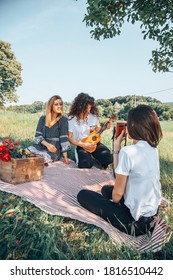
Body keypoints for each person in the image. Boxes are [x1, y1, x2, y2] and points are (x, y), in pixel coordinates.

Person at [77, 105, 163, 236]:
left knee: (83, 195)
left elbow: (117, 194)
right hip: (151, 214)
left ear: (133, 127)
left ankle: (119, 210)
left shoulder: (128, 152)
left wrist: (113, 203)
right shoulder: (153, 149)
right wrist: (116, 147)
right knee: (106, 189)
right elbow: (118, 174)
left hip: (135, 225)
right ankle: (121, 206)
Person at [68, 92, 113, 169]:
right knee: (86, 164)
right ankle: (90, 159)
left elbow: (97, 131)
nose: (89, 111)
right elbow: (70, 138)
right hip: (81, 145)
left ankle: (96, 159)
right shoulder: (71, 119)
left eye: (90, 108)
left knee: (108, 158)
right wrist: (83, 145)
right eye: (87, 109)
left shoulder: (92, 117)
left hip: (94, 143)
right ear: (80, 107)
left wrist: (104, 128)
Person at [26, 95, 70, 164]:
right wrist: (47, 145)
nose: (59, 106)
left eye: (61, 104)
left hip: (54, 149)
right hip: (42, 146)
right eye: (56, 104)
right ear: (51, 106)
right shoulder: (42, 119)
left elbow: (64, 139)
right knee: (25, 152)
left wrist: (65, 157)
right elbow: (38, 136)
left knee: (38, 159)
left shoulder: (63, 120)